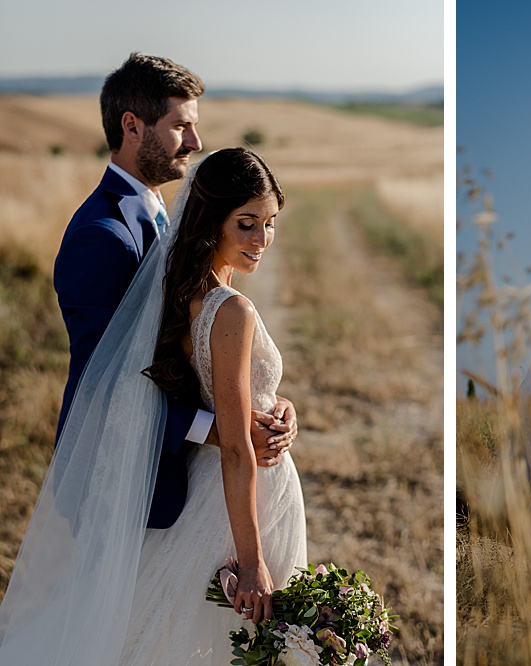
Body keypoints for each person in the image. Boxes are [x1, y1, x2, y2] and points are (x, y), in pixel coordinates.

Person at [0, 149, 308, 664]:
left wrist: (277, 405)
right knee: (221, 636)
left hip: (213, 485)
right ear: (212, 221)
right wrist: (251, 562)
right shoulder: (232, 309)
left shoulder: (187, 292)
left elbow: (222, 390)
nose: (261, 240)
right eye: (246, 224)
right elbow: (235, 448)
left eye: (270, 223)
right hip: (236, 498)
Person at [52, 53, 295, 530]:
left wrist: (265, 408)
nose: (196, 142)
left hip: (180, 470)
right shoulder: (101, 236)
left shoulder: (165, 212)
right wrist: (227, 428)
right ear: (133, 126)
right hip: (118, 475)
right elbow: (106, 382)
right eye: (181, 126)